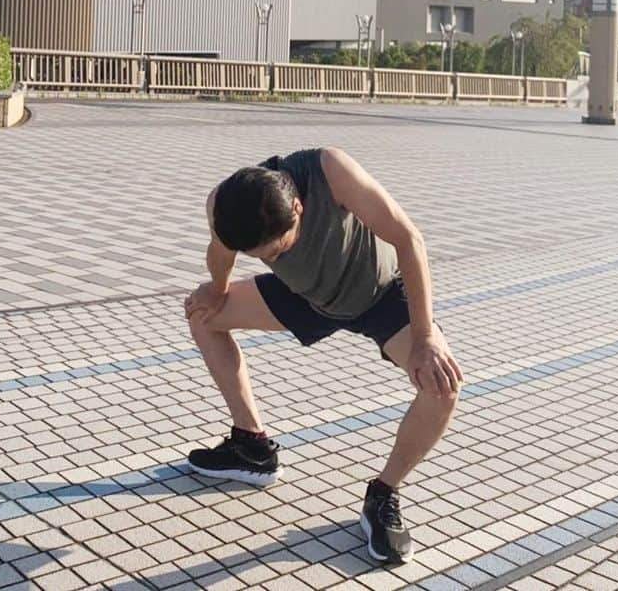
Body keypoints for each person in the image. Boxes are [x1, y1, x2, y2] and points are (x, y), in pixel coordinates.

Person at [184, 146, 463, 565]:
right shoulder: (225, 204)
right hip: (308, 297)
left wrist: (423, 334)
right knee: (202, 316)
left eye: (276, 252)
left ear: (297, 207)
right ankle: (252, 448)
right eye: (259, 256)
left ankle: (384, 493)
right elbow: (222, 255)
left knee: (442, 388)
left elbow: (409, 238)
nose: (271, 260)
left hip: (380, 294)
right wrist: (218, 288)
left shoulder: (330, 171)